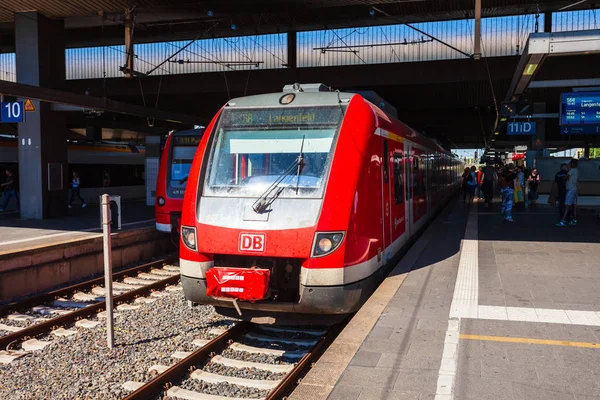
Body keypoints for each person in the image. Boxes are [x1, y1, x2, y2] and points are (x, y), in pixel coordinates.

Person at [556, 159, 578, 227]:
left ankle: (563, 220)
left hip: (570, 189)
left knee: (567, 205)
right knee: (574, 205)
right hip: (574, 189)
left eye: (570, 163)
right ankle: (574, 219)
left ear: (572, 164)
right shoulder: (576, 170)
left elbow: (565, 177)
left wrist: (566, 176)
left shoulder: (571, 170)